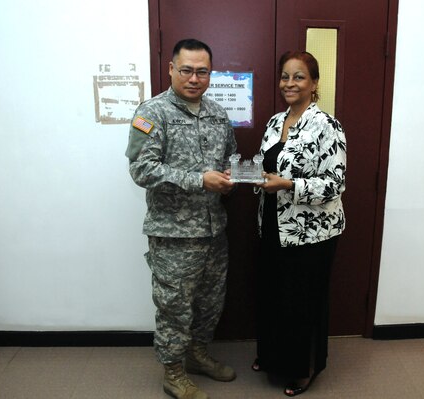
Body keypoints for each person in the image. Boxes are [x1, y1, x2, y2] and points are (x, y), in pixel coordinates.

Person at [125, 38, 237, 399]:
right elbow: (142, 169)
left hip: (213, 231)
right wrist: (199, 179)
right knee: (174, 308)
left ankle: (197, 355)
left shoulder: (219, 113)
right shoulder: (151, 113)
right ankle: (173, 372)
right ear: (171, 69)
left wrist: (230, 178)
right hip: (172, 236)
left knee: (210, 303)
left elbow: (230, 159)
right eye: (186, 70)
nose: (194, 78)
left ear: (210, 74)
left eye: (202, 71)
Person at [252, 51, 347, 397]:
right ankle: (274, 356)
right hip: (274, 224)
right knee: (275, 295)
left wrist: (289, 185)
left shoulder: (327, 126)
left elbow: (335, 184)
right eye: (285, 77)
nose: (289, 83)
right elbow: (270, 166)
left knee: (302, 301)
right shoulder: (275, 122)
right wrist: (255, 177)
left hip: (312, 232)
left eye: (299, 77)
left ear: (314, 83)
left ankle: (303, 369)